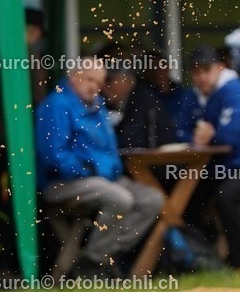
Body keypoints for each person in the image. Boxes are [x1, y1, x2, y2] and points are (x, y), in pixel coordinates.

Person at [36, 59, 164, 277]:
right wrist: (90, 170)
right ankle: (95, 262)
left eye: (99, 82)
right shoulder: (56, 105)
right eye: (88, 79)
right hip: (64, 183)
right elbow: (54, 156)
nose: (94, 86)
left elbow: (111, 150)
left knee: (153, 200)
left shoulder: (98, 105)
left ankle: (95, 256)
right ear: (74, 77)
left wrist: (109, 170)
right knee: (120, 198)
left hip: (103, 179)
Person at [177, 45, 240, 270]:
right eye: (196, 71)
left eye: (206, 70)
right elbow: (179, 130)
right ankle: (200, 259)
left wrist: (208, 136)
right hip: (218, 167)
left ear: (219, 68)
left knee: (227, 196)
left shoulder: (234, 89)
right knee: (184, 195)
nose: (200, 76)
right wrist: (203, 136)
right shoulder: (194, 95)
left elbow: (229, 137)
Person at [102, 68, 177, 149]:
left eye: (109, 81)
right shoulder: (105, 103)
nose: (104, 87)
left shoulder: (144, 100)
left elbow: (133, 141)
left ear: (127, 80)